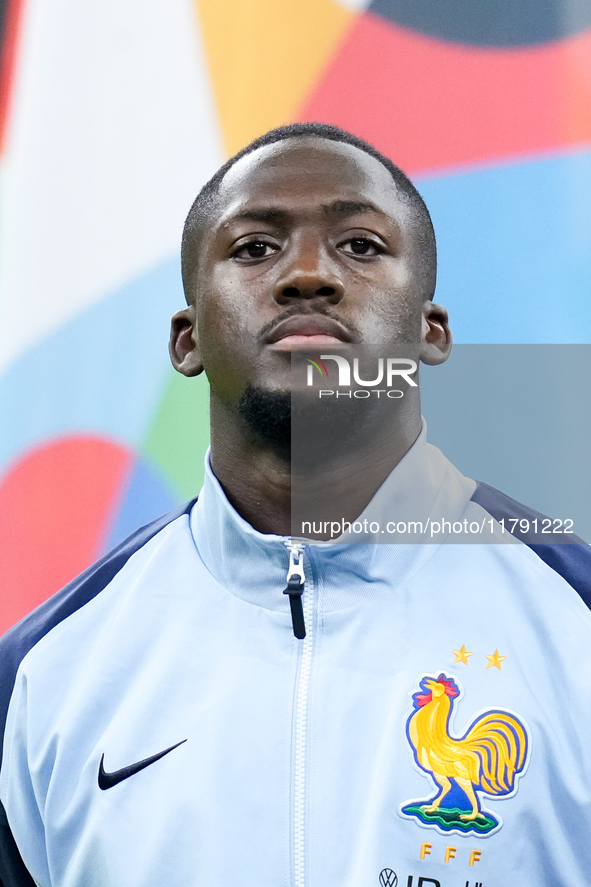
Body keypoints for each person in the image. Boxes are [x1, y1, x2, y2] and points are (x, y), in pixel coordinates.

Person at [0, 123, 590, 887]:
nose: (307, 274)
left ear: (429, 331)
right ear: (187, 340)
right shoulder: (41, 675)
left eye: (360, 245)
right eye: (254, 248)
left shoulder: (573, 618)